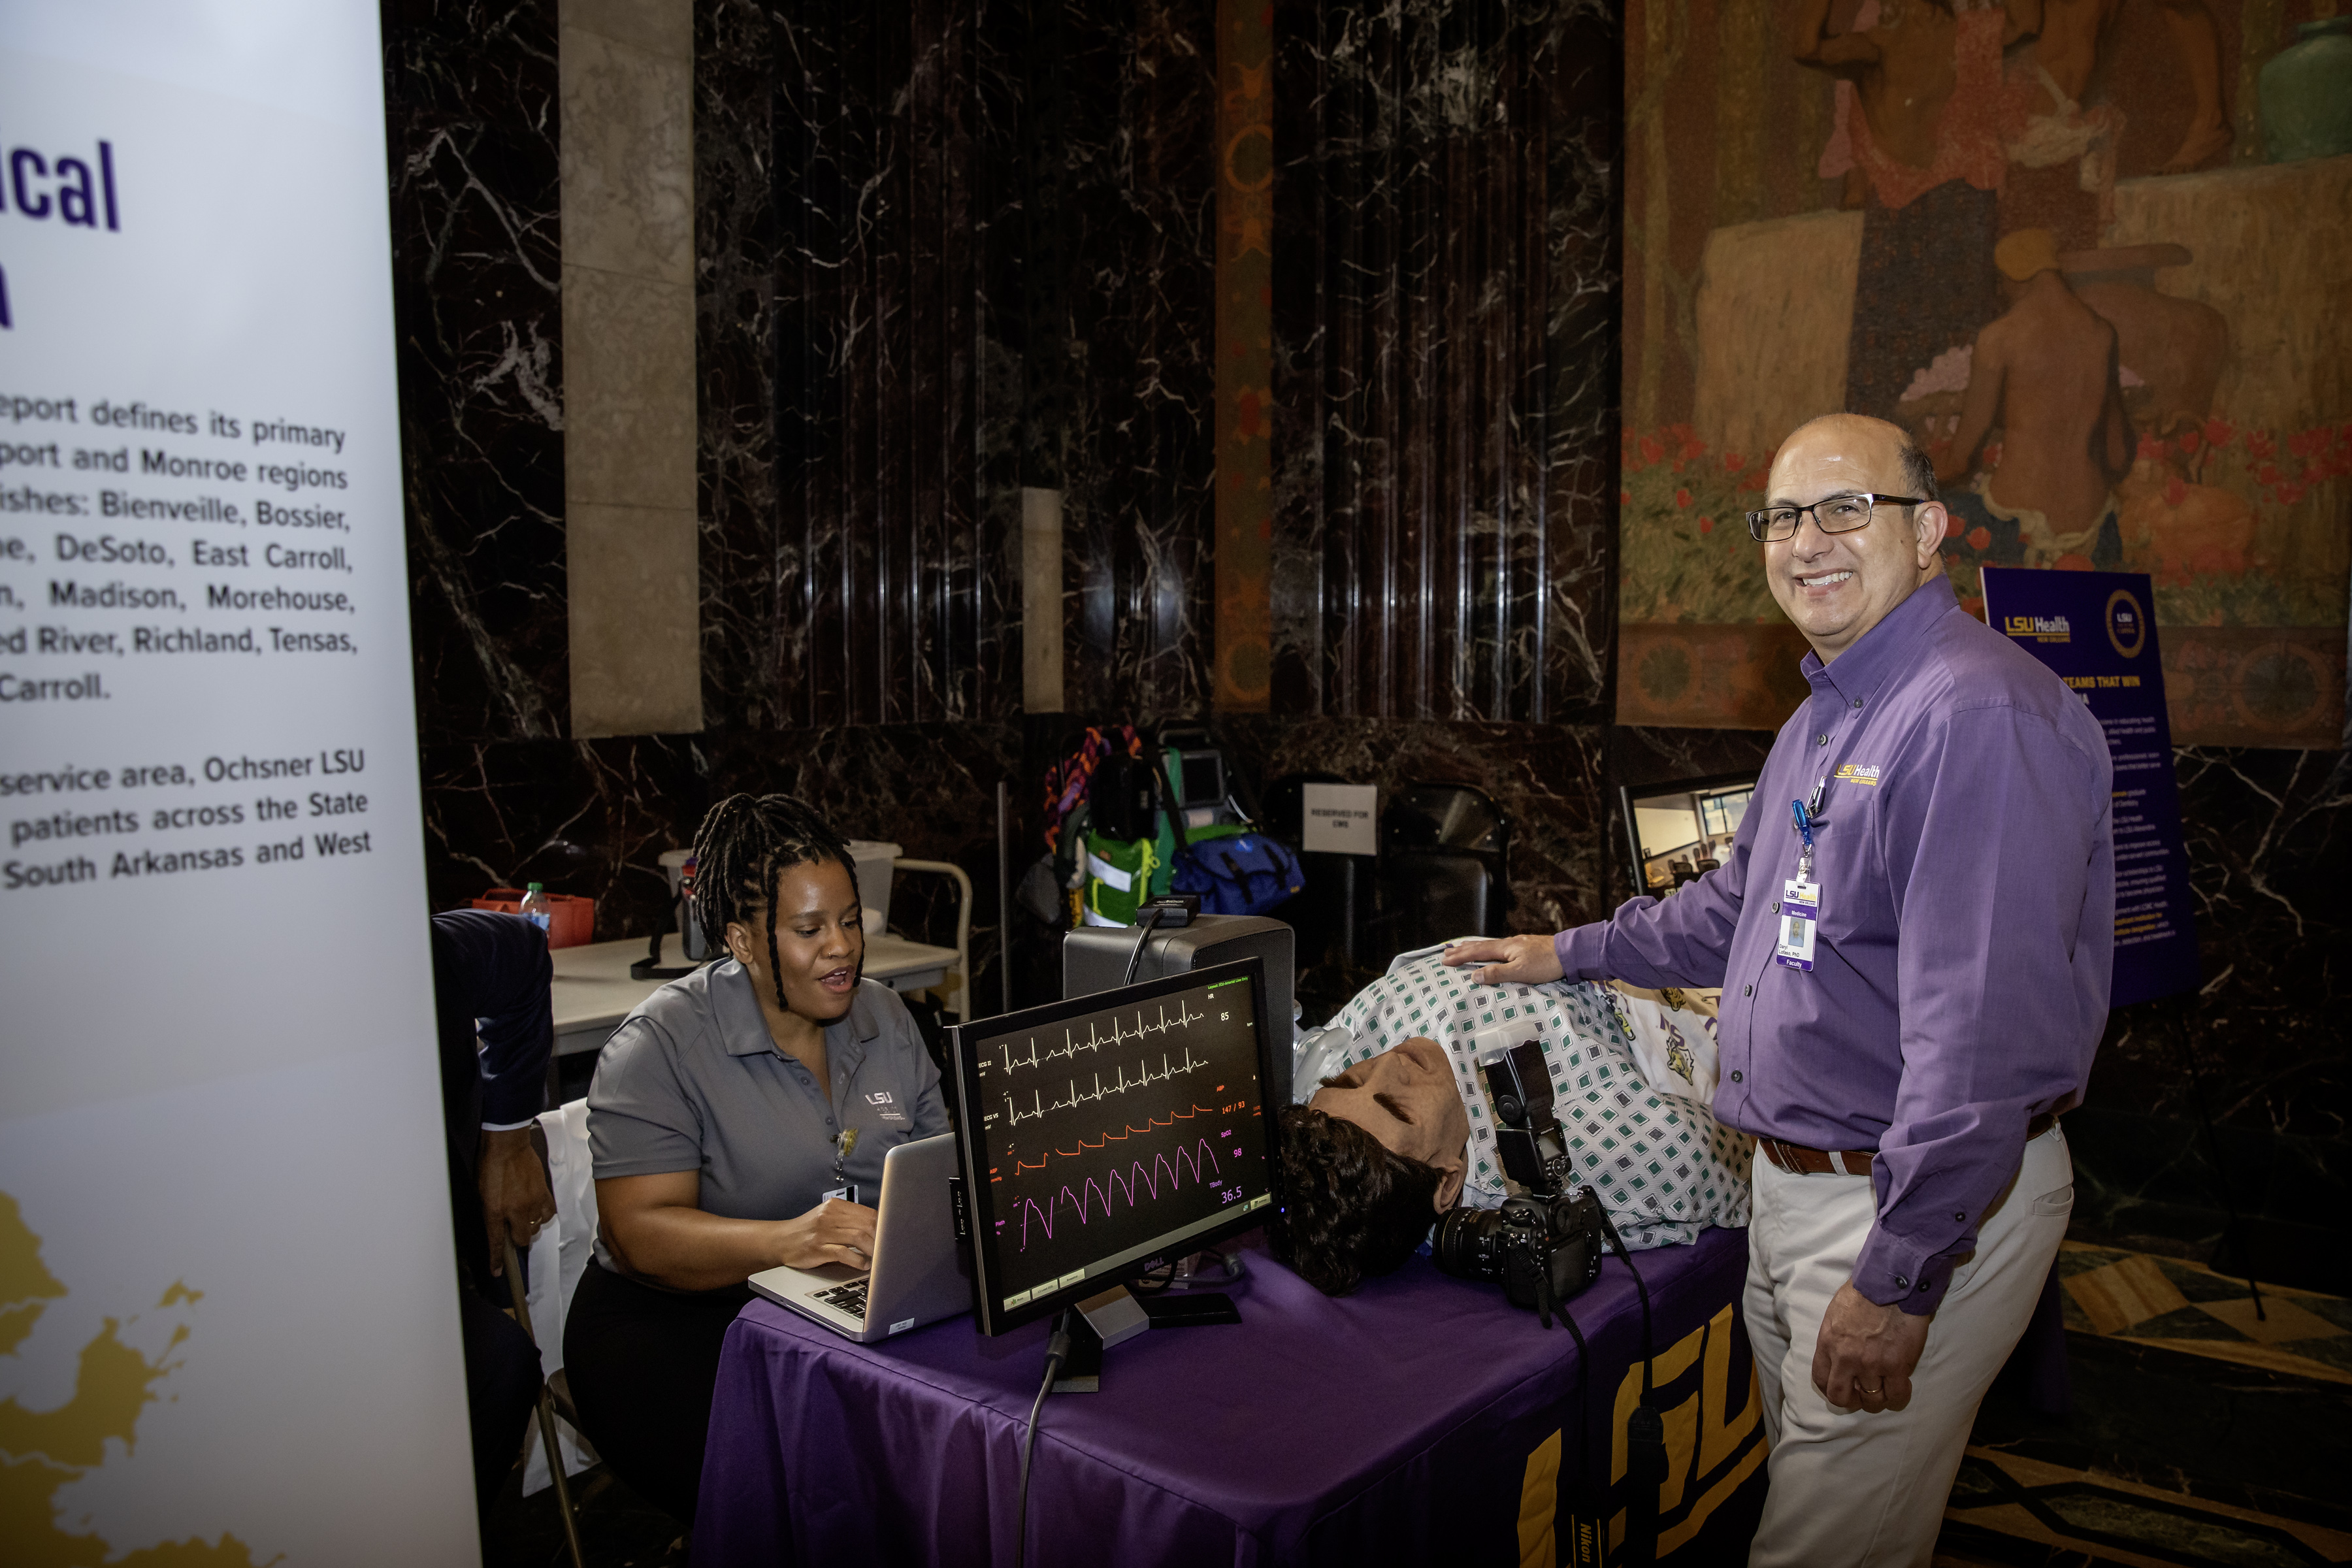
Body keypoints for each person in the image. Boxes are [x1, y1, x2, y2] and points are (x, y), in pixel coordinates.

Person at [1447, 412, 2112, 1567]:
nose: (1808, 541)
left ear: (1931, 531)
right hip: (1800, 1192)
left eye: (1848, 507)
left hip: (1906, 1207)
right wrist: (1567, 951)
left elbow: (1981, 1048)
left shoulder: (1975, 717)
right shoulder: (1824, 715)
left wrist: (1900, 1276)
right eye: (1783, 516)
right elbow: (1735, 911)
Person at [563, 794, 948, 1527]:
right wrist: (790, 1240)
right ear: (741, 941)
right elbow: (638, 1235)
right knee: (817, 1487)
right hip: (678, 1324)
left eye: (849, 921)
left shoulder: (886, 1019)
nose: (841, 947)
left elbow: (943, 1172)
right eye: (809, 930)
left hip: (841, 1303)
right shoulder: (662, 1046)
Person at [1275, 951, 1750, 1296]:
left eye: (1351, 1076)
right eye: (1398, 1107)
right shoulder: (1559, 1155)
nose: (1389, 1061)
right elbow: (1723, 1159)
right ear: (1446, 1180)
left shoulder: (1349, 1053)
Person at [429, 908, 559, 1520]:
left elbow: (523, 953)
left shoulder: (424, 952)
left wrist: (506, 1136)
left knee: (504, 1365)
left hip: (412, 1262)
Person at [1937, 229, 2132, 568]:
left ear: (2014, 277)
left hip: (2011, 525)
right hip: (2094, 528)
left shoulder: (2000, 338)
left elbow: (1959, 460)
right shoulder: (2101, 334)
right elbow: (2117, 455)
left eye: (2001, 281)